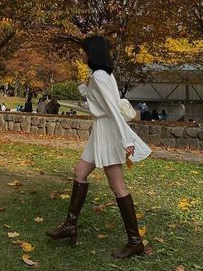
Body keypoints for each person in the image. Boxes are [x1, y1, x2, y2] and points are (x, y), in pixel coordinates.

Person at [46, 35, 151, 259]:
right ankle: (70, 225)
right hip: (100, 132)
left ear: (92, 52)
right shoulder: (100, 76)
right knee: (80, 172)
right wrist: (87, 84)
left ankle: (135, 241)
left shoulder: (101, 76)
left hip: (109, 132)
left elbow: (113, 109)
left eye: (84, 50)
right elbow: (96, 101)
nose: (81, 54)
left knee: (118, 186)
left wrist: (127, 140)